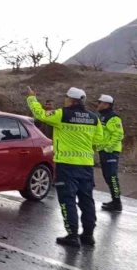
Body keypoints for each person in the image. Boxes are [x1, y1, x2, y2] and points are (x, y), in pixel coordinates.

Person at [27, 86, 103, 247]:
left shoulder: (63, 114)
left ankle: (72, 235)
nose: (65, 100)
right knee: (86, 200)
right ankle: (88, 235)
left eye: (66, 98)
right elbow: (98, 140)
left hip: (67, 166)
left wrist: (32, 98)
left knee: (67, 200)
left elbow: (40, 114)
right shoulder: (94, 118)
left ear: (72, 100)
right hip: (86, 166)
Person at [97, 94, 125, 212]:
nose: (98, 104)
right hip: (103, 151)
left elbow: (119, 134)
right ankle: (114, 201)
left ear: (106, 104)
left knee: (112, 177)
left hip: (111, 152)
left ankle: (117, 203)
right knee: (107, 177)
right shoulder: (103, 116)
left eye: (100, 102)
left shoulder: (113, 117)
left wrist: (109, 147)